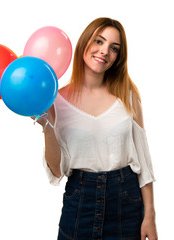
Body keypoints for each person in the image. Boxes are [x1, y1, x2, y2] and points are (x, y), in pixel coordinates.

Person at [34, 17, 158, 240]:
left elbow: (144, 161)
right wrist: (47, 126)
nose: (104, 52)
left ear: (118, 57)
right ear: (85, 42)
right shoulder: (56, 100)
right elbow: (56, 171)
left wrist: (150, 216)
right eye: (99, 41)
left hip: (127, 203)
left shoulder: (127, 95)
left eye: (114, 48)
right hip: (80, 202)